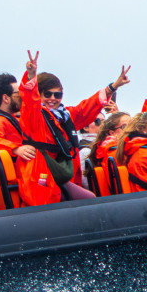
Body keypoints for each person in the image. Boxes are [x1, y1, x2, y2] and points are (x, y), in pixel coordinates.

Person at [18, 52, 131, 203]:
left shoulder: (65, 116)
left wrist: (113, 87)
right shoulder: (34, 116)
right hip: (40, 176)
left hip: (59, 176)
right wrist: (31, 76)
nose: (53, 98)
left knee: (84, 198)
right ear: (39, 94)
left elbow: (86, 109)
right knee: (89, 199)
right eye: (48, 94)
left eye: (58, 94)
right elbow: (30, 100)